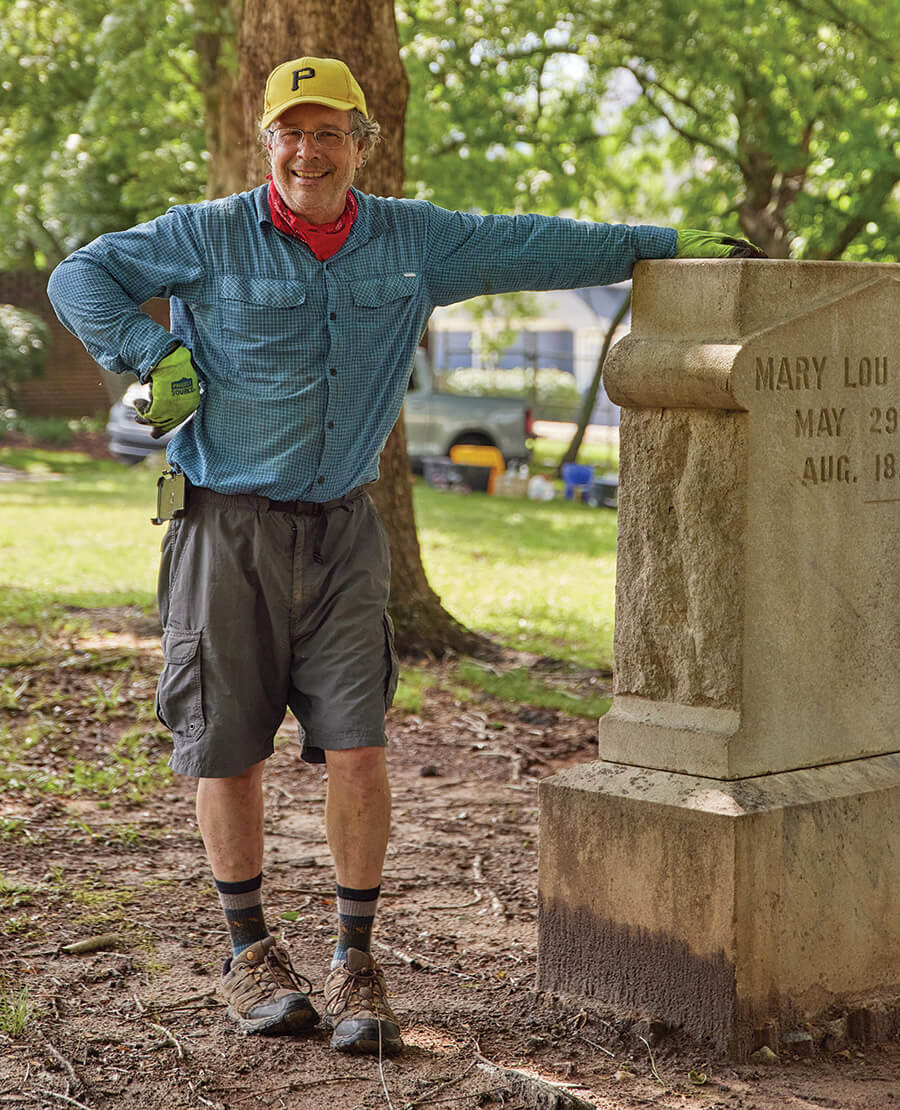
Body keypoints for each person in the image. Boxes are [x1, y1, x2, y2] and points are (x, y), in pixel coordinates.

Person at [47, 55, 764, 1057]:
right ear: (268, 144)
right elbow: (80, 272)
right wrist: (150, 352)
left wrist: (660, 246)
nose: (310, 149)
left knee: (361, 747)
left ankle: (354, 959)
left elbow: (533, 247)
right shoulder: (205, 235)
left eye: (329, 129)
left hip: (343, 531)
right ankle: (249, 952)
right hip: (224, 527)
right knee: (228, 746)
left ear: (361, 140)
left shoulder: (413, 240)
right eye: (291, 131)